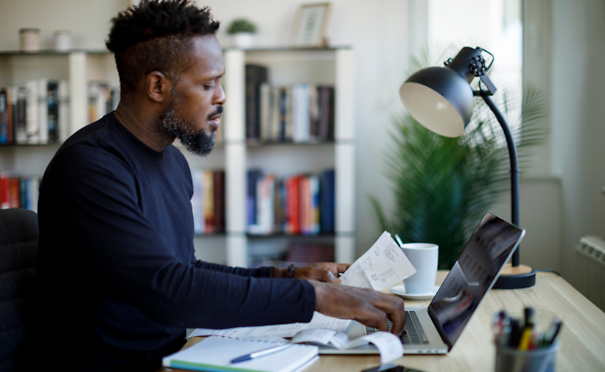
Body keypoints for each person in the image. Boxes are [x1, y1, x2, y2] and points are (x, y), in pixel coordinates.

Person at [32, 1, 405, 370]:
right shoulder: (91, 167)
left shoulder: (172, 161)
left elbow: (185, 269)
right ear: (157, 86)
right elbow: (170, 291)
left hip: (175, 353)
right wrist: (315, 296)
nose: (221, 96)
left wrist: (286, 274)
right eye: (208, 84)